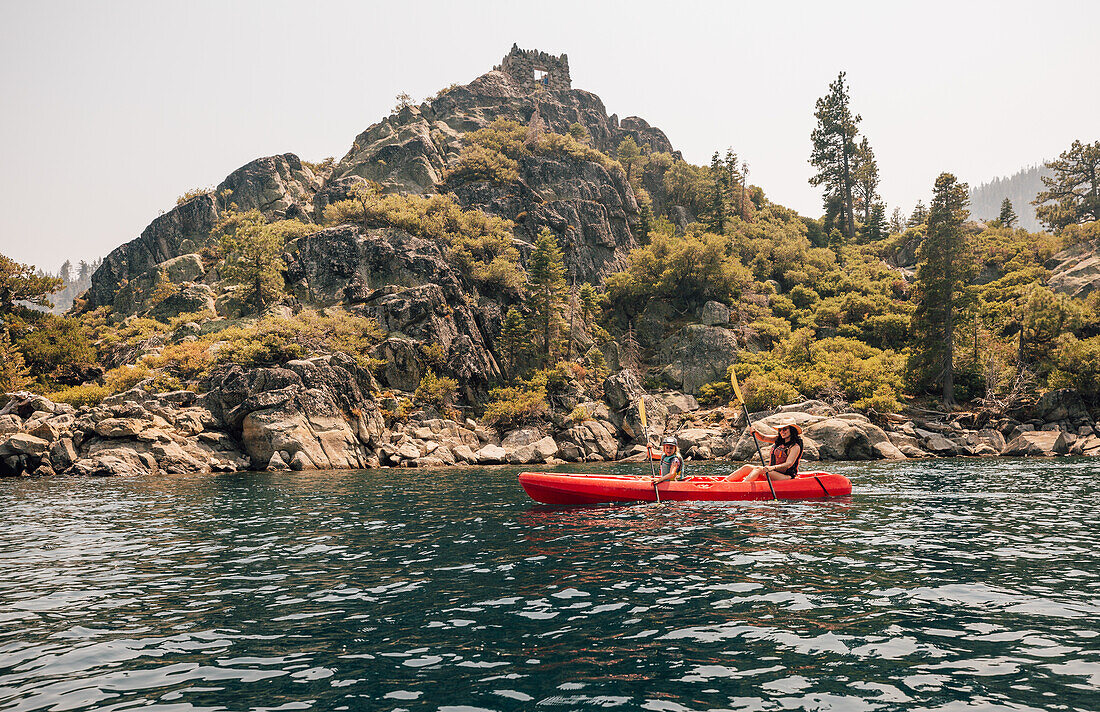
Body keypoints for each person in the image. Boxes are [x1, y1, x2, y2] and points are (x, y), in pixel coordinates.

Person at [729, 417, 803, 483]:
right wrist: (755, 432)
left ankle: (742, 487)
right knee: (747, 467)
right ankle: (724, 482)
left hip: (786, 477)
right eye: (780, 429)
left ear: (792, 430)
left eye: (785, 429)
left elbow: (788, 464)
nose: (782, 432)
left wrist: (772, 468)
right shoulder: (779, 439)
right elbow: (763, 438)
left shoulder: (795, 446)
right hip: (774, 472)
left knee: (758, 469)